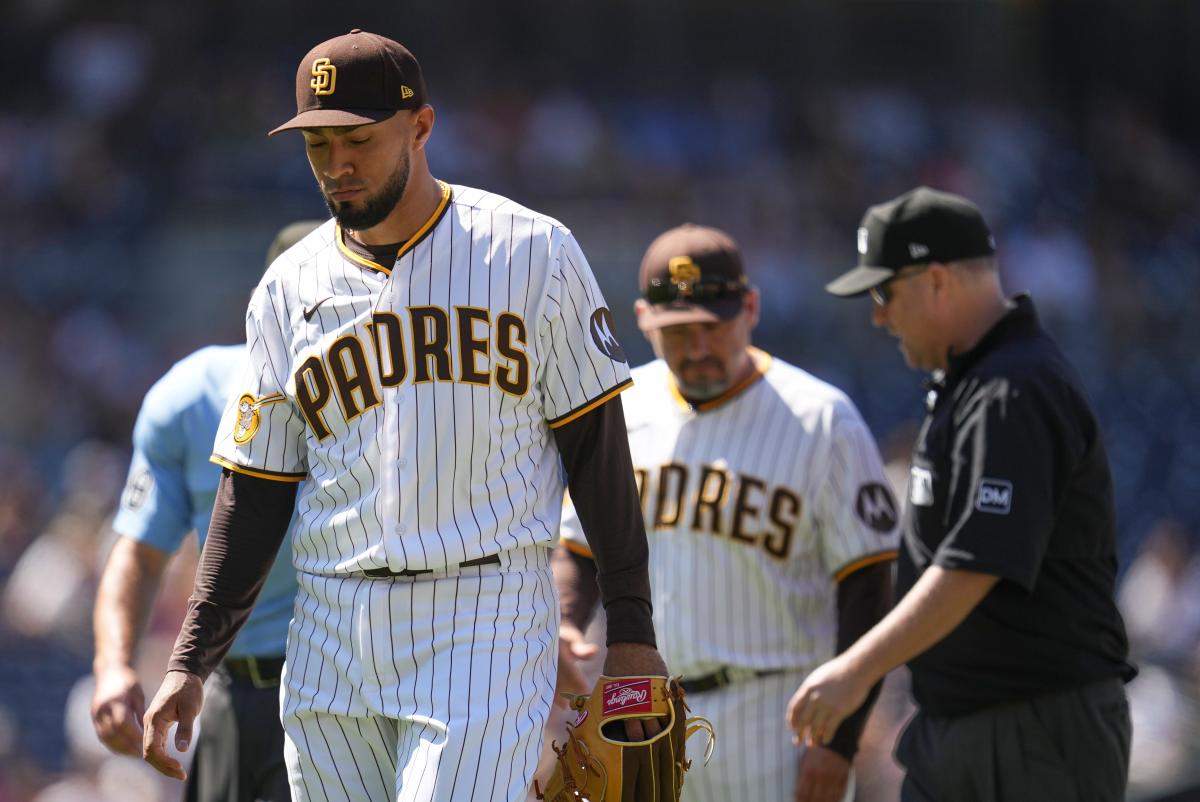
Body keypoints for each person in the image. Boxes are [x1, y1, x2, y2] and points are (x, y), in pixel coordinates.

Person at [141, 29, 669, 802]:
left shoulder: (531, 252)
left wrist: (632, 629)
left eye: (358, 139)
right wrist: (190, 661)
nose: (337, 165)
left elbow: (596, 451)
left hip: (481, 609)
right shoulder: (288, 288)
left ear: (421, 126)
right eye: (318, 144)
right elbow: (253, 492)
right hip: (330, 622)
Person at [797, 186, 1137, 801]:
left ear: (935, 281)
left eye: (883, 292)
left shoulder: (1015, 388)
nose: (878, 315)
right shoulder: (973, 383)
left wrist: (857, 668)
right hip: (963, 725)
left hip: (1035, 730)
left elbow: (973, 567)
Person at [554, 223, 898, 802]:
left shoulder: (822, 419)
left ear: (751, 308)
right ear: (642, 318)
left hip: (776, 714)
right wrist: (566, 620)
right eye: (678, 330)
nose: (697, 347)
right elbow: (580, 549)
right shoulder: (622, 409)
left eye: (712, 327)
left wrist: (838, 742)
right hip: (645, 710)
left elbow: (867, 586)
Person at [91, 220, 321, 802]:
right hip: (224, 695)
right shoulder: (188, 398)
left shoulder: (390, 400)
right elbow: (139, 554)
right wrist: (113, 665)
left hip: (341, 694)